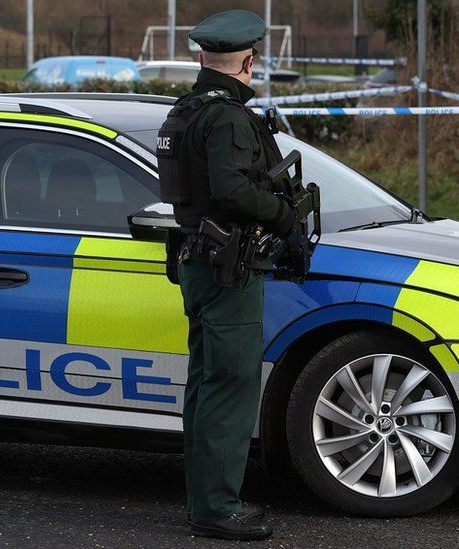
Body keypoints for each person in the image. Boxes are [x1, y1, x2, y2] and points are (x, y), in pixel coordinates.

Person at [159, 9, 296, 542]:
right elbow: (232, 190)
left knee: (206, 384)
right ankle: (217, 509)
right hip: (227, 267)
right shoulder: (229, 118)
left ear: (201, 58)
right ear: (249, 61)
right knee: (230, 388)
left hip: (198, 261)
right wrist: (283, 216)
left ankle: (208, 499)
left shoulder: (186, 110)